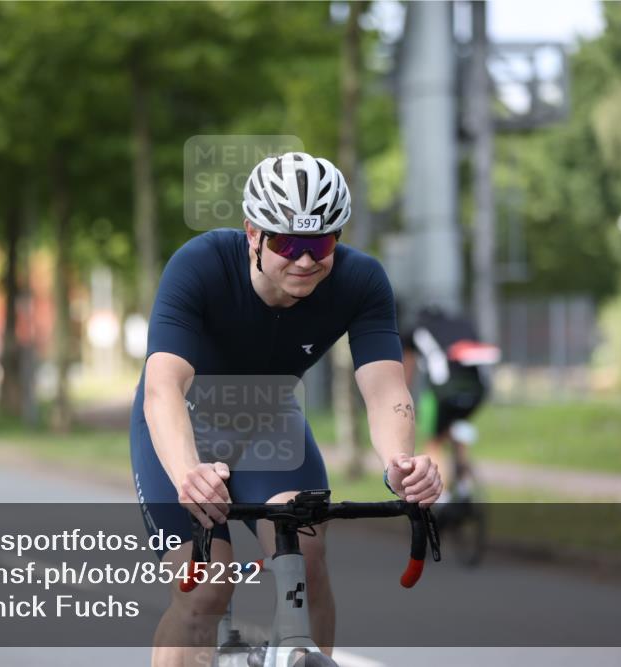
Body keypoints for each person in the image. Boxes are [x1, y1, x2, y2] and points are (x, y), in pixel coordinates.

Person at [131, 152, 442, 666]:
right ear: (253, 233)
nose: (303, 260)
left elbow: (386, 389)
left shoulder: (361, 281)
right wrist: (187, 473)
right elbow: (163, 387)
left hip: (266, 425)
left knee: (307, 553)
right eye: (286, 243)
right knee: (206, 589)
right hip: (181, 423)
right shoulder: (200, 264)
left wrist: (400, 465)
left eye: (318, 243)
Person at [401, 307, 500, 501]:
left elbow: (408, 372)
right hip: (477, 391)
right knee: (457, 431)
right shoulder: (462, 324)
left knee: (434, 441)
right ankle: (464, 488)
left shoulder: (416, 330)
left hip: (444, 391)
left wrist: (405, 398)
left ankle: (442, 497)